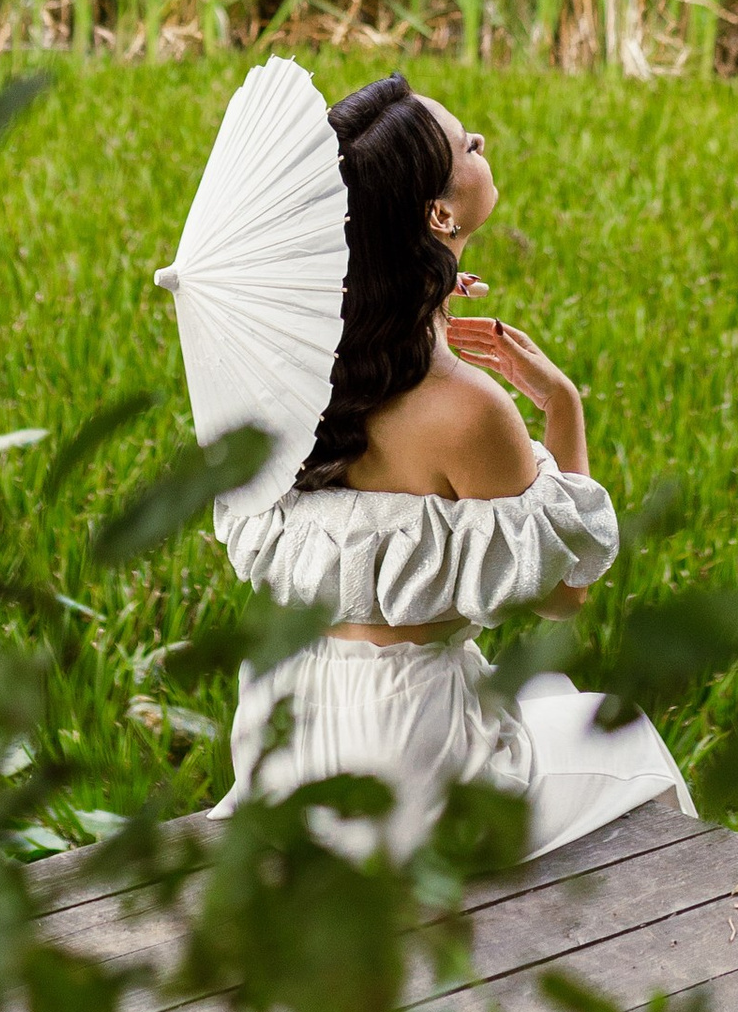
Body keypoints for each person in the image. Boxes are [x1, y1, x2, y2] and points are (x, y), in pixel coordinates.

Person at [215, 73, 692, 859]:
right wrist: (563, 409)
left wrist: (422, 300)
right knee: (626, 741)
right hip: (412, 759)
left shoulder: (292, 372)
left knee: (546, 699)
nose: (483, 144)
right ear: (440, 214)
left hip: (285, 736)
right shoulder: (468, 411)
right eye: (467, 143)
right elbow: (561, 597)